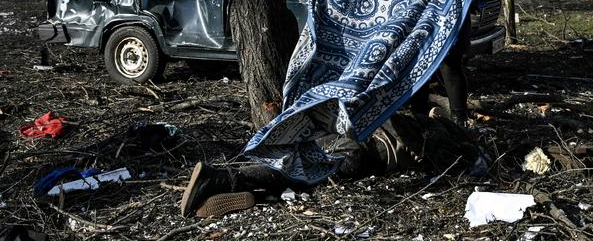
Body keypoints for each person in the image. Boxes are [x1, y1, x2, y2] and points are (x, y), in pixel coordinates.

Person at [180, 111, 483, 217]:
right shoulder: (445, 140)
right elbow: (443, 164)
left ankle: (237, 186)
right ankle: (224, 182)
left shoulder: (416, 121)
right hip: (368, 155)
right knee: (301, 176)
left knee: (298, 166)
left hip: (354, 138)